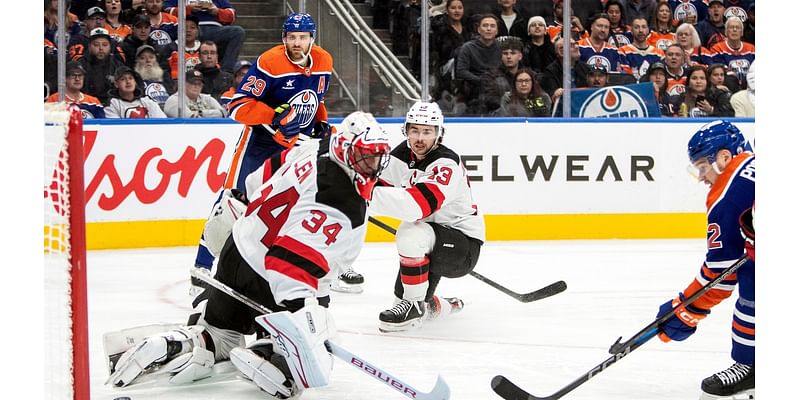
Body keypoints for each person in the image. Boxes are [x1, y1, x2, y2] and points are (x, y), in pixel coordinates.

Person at [104, 112, 392, 399]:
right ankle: (271, 357)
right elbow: (287, 263)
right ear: (344, 147)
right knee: (313, 345)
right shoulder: (343, 205)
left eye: (377, 157)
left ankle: (179, 343)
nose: (372, 165)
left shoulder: (313, 147)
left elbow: (257, 180)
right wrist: (300, 313)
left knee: (218, 335)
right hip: (272, 283)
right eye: (365, 156)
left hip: (237, 252)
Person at [190, 13, 333, 294]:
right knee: (232, 204)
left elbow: (316, 99)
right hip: (259, 144)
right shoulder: (270, 62)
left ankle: (292, 267)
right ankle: (202, 268)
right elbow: (238, 105)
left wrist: (322, 122)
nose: (297, 42)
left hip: (296, 145)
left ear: (312, 39)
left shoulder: (324, 61)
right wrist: (274, 116)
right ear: (283, 38)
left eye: (302, 37)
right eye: (291, 37)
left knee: (296, 205)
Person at [654, 120, 754, 399]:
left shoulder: (727, 195)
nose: (701, 177)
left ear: (724, 157)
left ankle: (753, 366)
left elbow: (721, 272)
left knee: (754, 279)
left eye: (702, 167)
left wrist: (686, 307)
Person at [370, 101, 485, 333]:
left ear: (438, 134)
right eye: (414, 130)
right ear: (406, 131)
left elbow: (416, 207)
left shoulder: (446, 163)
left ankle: (413, 305)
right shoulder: (402, 154)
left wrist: (362, 195)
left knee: (410, 231)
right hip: (429, 240)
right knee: (404, 301)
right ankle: (442, 305)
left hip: (462, 247)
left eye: (427, 132)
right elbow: (378, 184)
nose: (420, 138)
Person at [164, 0, 245, 75]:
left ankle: (226, 72)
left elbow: (232, 16)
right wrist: (189, 9)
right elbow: (166, 12)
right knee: (188, 30)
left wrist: (217, 11)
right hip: (191, 28)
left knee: (238, 32)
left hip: (216, 29)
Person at [455, 14, 501, 115]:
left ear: (497, 31)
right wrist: (481, 81)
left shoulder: (502, 47)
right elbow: (461, 71)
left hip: (498, 89)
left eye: (492, 26)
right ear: (479, 29)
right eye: (485, 25)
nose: (488, 29)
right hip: (474, 91)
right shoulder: (467, 47)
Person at [78, 27, 126, 105]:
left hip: (113, 105)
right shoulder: (80, 65)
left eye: (105, 45)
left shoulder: (117, 65)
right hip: (87, 104)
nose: (101, 48)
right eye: (96, 45)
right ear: (89, 46)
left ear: (110, 47)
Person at [709, 16, 755, 90]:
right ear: (726, 32)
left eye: (737, 27)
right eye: (731, 27)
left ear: (742, 32)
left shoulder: (752, 49)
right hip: (729, 86)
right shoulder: (717, 49)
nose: (734, 30)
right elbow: (720, 70)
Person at [539, 36, 590, 100]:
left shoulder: (586, 68)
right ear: (561, 52)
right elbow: (552, 95)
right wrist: (555, 94)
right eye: (572, 45)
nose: (577, 47)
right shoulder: (550, 71)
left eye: (576, 44)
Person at [618, 15, 665, 81]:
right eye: (637, 27)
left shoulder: (659, 53)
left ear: (648, 30)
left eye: (644, 27)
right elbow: (626, 78)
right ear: (631, 31)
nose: (640, 30)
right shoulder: (623, 51)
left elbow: (662, 77)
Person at [134, 44, 173, 108]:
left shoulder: (166, 78)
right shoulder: (135, 82)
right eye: (143, 58)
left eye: (151, 57)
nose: (148, 61)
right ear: (137, 61)